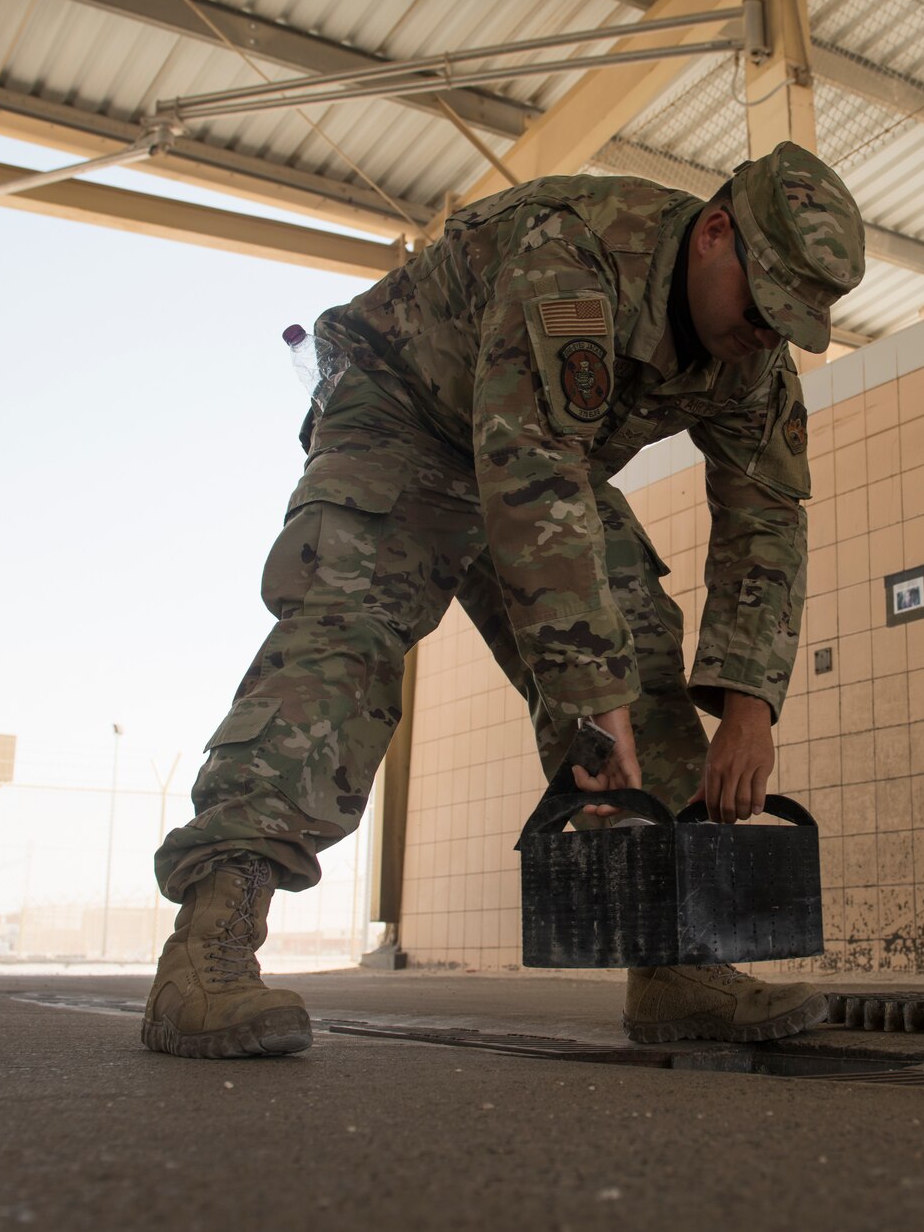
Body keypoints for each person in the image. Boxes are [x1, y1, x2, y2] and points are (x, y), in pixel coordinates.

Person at [141, 141, 867, 1059]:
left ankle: (677, 963)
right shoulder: (577, 256)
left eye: (790, 324)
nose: (767, 334)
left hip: (543, 449)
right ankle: (207, 948)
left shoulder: (752, 356)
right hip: (405, 415)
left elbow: (767, 517)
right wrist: (589, 711)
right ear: (715, 233)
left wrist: (753, 708)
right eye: (763, 306)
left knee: (636, 639)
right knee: (347, 635)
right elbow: (530, 475)